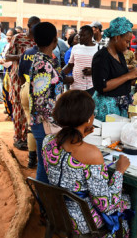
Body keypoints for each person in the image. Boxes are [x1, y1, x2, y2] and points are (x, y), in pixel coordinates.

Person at [42, 90, 132, 237]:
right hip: (81, 220)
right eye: (92, 113)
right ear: (88, 120)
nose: (93, 115)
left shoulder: (48, 141)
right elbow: (106, 205)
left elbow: (67, 155)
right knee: (126, 200)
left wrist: (81, 133)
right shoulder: (91, 154)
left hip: (56, 211)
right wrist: (119, 171)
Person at [28, 22, 65, 183]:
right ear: (54, 41)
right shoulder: (43, 64)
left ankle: (44, 202)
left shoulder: (44, 60)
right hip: (45, 124)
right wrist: (56, 121)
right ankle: (44, 204)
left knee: (48, 165)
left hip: (45, 123)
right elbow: (40, 101)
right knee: (45, 167)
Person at [91, 17, 137, 121]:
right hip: (107, 109)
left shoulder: (119, 55)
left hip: (121, 105)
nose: (128, 46)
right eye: (127, 42)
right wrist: (127, 76)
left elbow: (120, 78)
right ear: (117, 37)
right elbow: (102, 86)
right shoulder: (101, 57)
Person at [6, 16, 41, 151]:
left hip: (32, 80)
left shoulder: (38, 41)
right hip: (17, 78)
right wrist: (20, 57)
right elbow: (8, 56)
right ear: (28, 26)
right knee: (18, 109)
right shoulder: (18, 38)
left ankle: (28, 138)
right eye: (34, 26)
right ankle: (18, 138)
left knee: (30, 109)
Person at [63, 25, 98, 95]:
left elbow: (104, 69)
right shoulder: (75, 48)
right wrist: (59, 75)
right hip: (75, 87)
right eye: (79, 35)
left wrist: (93, 71)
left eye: (83, 35)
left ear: (91, 35)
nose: (80, 38)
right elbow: (70, 66)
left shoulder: (98, 49)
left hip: (91, 88)